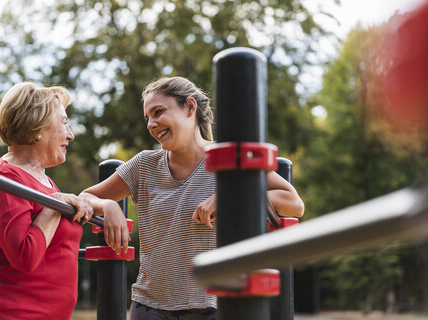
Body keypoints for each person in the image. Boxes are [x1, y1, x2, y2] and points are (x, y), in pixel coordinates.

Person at [80, 76, 304, 319]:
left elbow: (293, 203)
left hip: (215, 306)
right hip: (150, 307)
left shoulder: (226, 160)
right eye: (148, 117)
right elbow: (85, 197)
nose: (151, 124)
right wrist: (110, 205)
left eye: (158, 112)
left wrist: (226, 198)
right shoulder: (144, 165)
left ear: (190, 107)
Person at [0, 82, 94, 320]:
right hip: (8, 312)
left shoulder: (44, 181)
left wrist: (107, 206)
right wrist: (54, 205)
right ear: (36, 127)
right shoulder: (5, 177)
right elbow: (25, 255)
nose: (70, 135)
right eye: (64, 122)